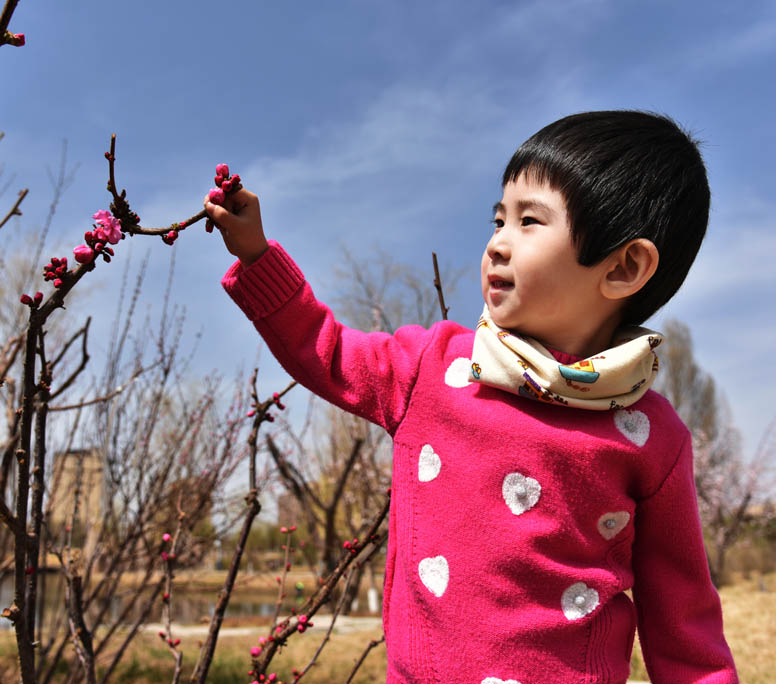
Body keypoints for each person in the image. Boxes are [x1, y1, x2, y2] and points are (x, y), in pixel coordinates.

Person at [205, 111, 738, 684]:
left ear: (624, 266)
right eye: (498, 218)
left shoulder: (650, 437)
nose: (497, 244)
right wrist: (258, 256)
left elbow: (685, 624)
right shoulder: (432, 370)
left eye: (529, 221)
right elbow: (328, 351)